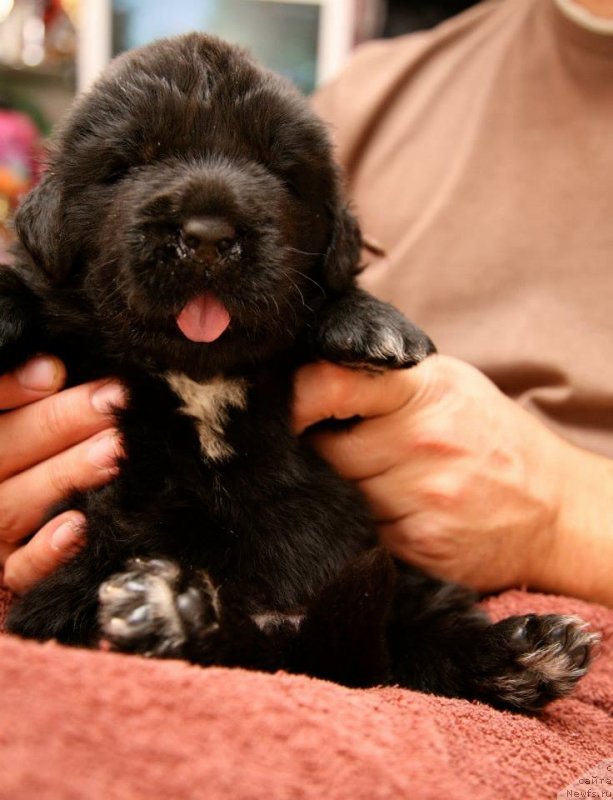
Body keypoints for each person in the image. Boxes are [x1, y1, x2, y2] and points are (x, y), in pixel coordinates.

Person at [1, 0, 612, 606]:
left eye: (277, 175)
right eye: (132, 164)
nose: (212, 228)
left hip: (381, 595)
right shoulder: (376, 87)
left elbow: (321, 282)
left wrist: (563, 517)